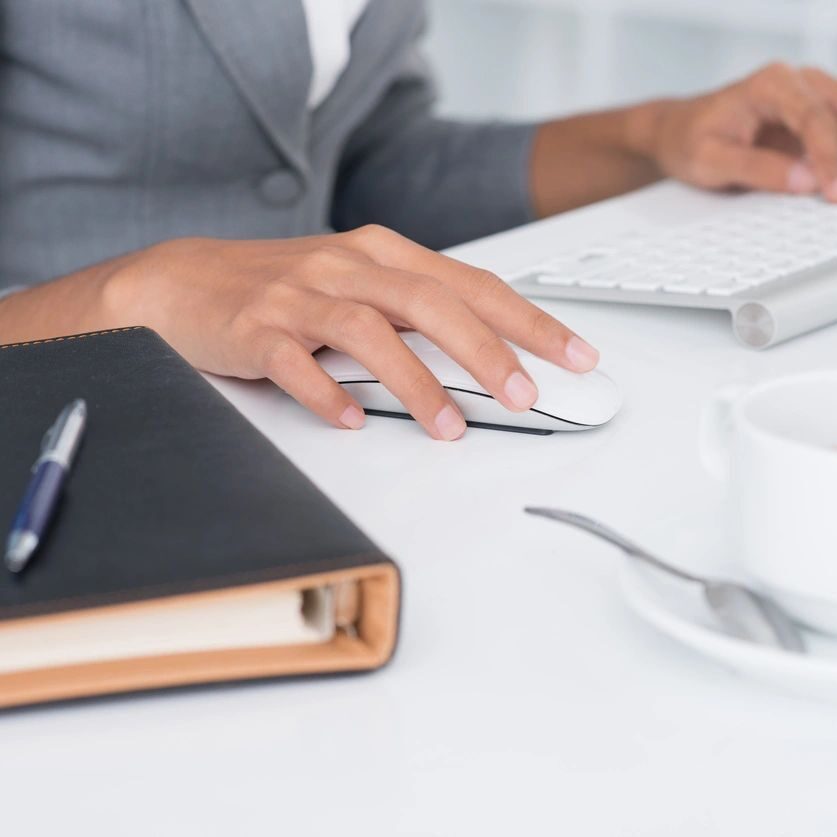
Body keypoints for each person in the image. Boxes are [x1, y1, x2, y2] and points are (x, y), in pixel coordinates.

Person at [1, 1, 836, 440]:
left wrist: (650, 136)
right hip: (63, 431)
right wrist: (139, 295)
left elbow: (368, 158)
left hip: (301, 428)